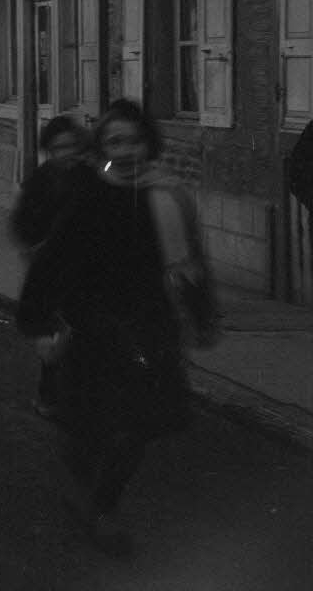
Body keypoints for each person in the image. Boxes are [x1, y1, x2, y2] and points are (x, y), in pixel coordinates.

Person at [17, 99, 218, 556]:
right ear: (102, 146)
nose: (127, 151)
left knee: (139, 425)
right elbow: (52, 262)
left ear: (150, 143)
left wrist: (202, 315)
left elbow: (191, 263)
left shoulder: (167, 196)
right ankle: (86, 490)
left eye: (135, 140)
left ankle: (103, 507)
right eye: (115, 141)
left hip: (151, 326)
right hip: (93, 326)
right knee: (84, 426)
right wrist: (38, 320)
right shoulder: (86, 193)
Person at [9, 115, 93, 419]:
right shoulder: (42, 179)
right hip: (50, 269)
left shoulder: (90, 177)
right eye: (59, 148)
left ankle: (81, 392)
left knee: (82, 330)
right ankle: (50, 392)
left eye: (71, 146)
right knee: (55, 336)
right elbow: (22, 219)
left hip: (84, 268)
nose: (66, 153)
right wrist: (31, 246)